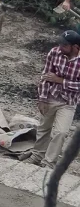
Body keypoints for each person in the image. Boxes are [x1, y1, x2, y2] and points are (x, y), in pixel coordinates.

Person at [27, 30, 80, 167]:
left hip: (69, 101)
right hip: (51, 96)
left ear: (75, 47)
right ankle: (37, 156)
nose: (60, 47)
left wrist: (60, 80)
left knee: (61, 132)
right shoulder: (54, 52)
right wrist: (42, 98)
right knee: (44, 128)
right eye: (60, 44)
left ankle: (49, 163)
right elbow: (45, 76)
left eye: (64, 45)